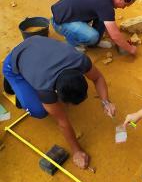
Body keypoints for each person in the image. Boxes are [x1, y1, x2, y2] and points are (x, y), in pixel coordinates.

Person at [2, 36, 115, 169]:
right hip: (14, 60)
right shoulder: (46, 89)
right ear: (56, 93)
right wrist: (76, 151)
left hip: (35, 44)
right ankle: (15, 81)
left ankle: (26, 72)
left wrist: (105, 101)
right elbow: (62, 122)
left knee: (43, 92)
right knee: (39, 111)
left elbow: (98, 77)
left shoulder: (80, 61)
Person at [51, 0, 137, 55]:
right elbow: (115, 35)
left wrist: (119, 42)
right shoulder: (105, 4)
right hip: (60, 22)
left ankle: (94, 43)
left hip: (70, 15)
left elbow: (109, 26)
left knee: (104, 20)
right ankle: (74, 44)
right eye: (125, 5)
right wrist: (131, 49)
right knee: (92, 36)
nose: (123, 8)